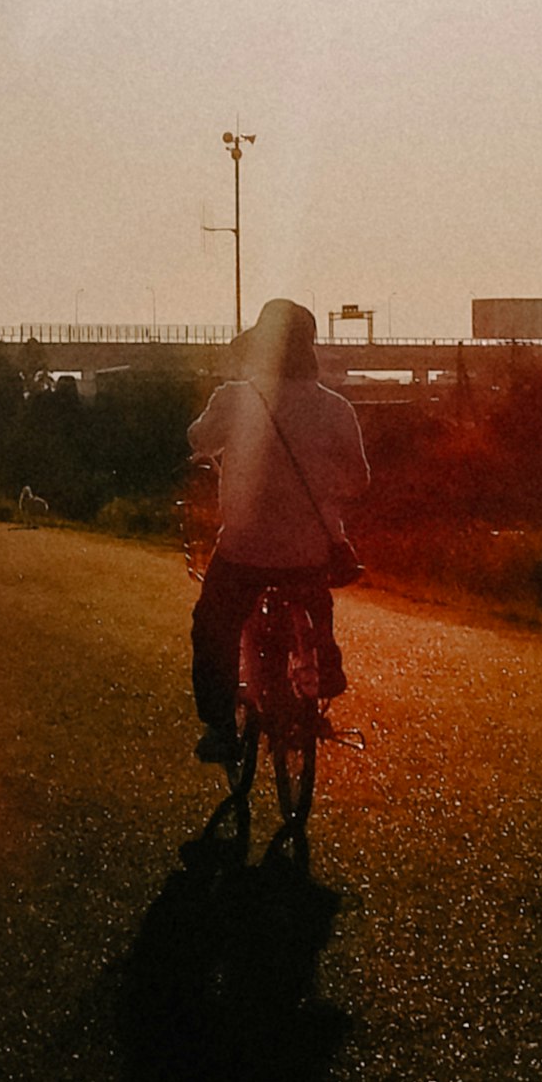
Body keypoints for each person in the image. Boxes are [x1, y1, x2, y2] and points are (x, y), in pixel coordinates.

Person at [185, 298, 367, 765]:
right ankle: (324, 662)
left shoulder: (235, 398)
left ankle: (221, 729)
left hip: (245, 549)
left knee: (212, 627)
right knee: (313, 593)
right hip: (310, 551)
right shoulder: (336, 409)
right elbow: (359, 481)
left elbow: (199, 439)